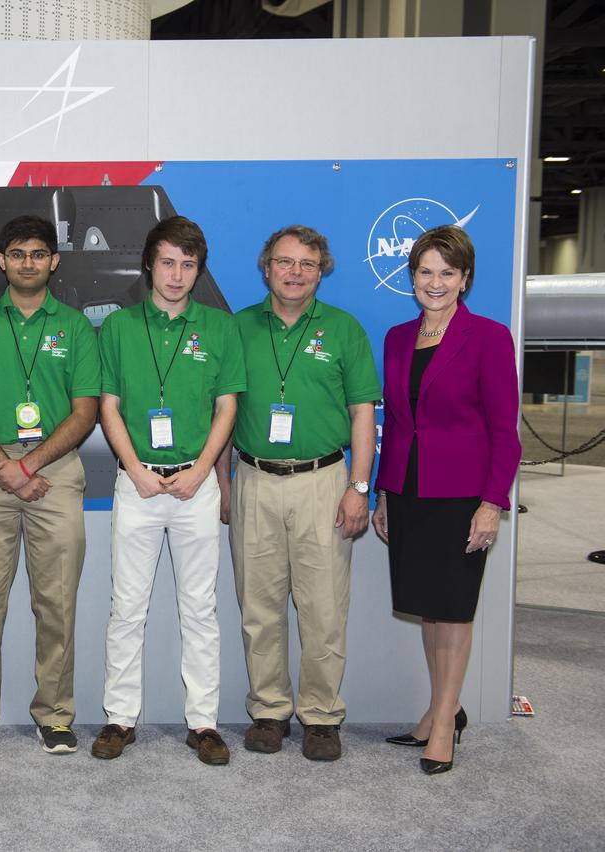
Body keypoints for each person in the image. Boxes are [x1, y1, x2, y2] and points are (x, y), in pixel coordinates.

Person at [91, 217, 245, 764]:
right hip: (137, 483)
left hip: (194, 485)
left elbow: (227, 406)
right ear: (149, 265)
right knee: (126, 607)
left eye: (188, 264)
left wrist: (203, 469)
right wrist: (133, 468)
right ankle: (118, 718)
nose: (177, 275)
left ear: (198, 270)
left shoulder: (220, 329)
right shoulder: (118, 328)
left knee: (199, 608)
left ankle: (203, 722)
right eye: (168, 262)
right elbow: (107, 405)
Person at [0, 215, 101, 754]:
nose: (28, 263)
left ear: (54, 261)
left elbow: (85, 412)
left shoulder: (77, 327)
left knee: (55, 602)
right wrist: (5, 468)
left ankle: (55, 714)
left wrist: (30, 465)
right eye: (18, 254)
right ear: (1, 261)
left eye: (39, 254)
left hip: (55, 470)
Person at [371, 225, 520, 775]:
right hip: (408, 491)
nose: (435, 282)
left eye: (447, 273)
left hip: (462, 496)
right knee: (429, 608)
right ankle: (443, 709)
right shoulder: (395, 338)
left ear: (465, 279)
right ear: (412, 277)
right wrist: (386, 492)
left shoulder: (488, 337)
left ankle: (442, 731)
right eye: (426, 271)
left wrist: (492, 502)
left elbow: (506, 431)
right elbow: (397, 423)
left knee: (454, 611)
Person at [229, 224, 380, 761]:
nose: (295, 273)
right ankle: (269, 711)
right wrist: (227, 482)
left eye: (307, 264)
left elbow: (364, 413)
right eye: (285, 262)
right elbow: (221, 412)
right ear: (266, 266)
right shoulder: (237, 327)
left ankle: (320, 716)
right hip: (253, 478)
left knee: (322, 608)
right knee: (259, 606)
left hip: (324, 481)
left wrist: (360, 487)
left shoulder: (344, 330)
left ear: (322, 270)